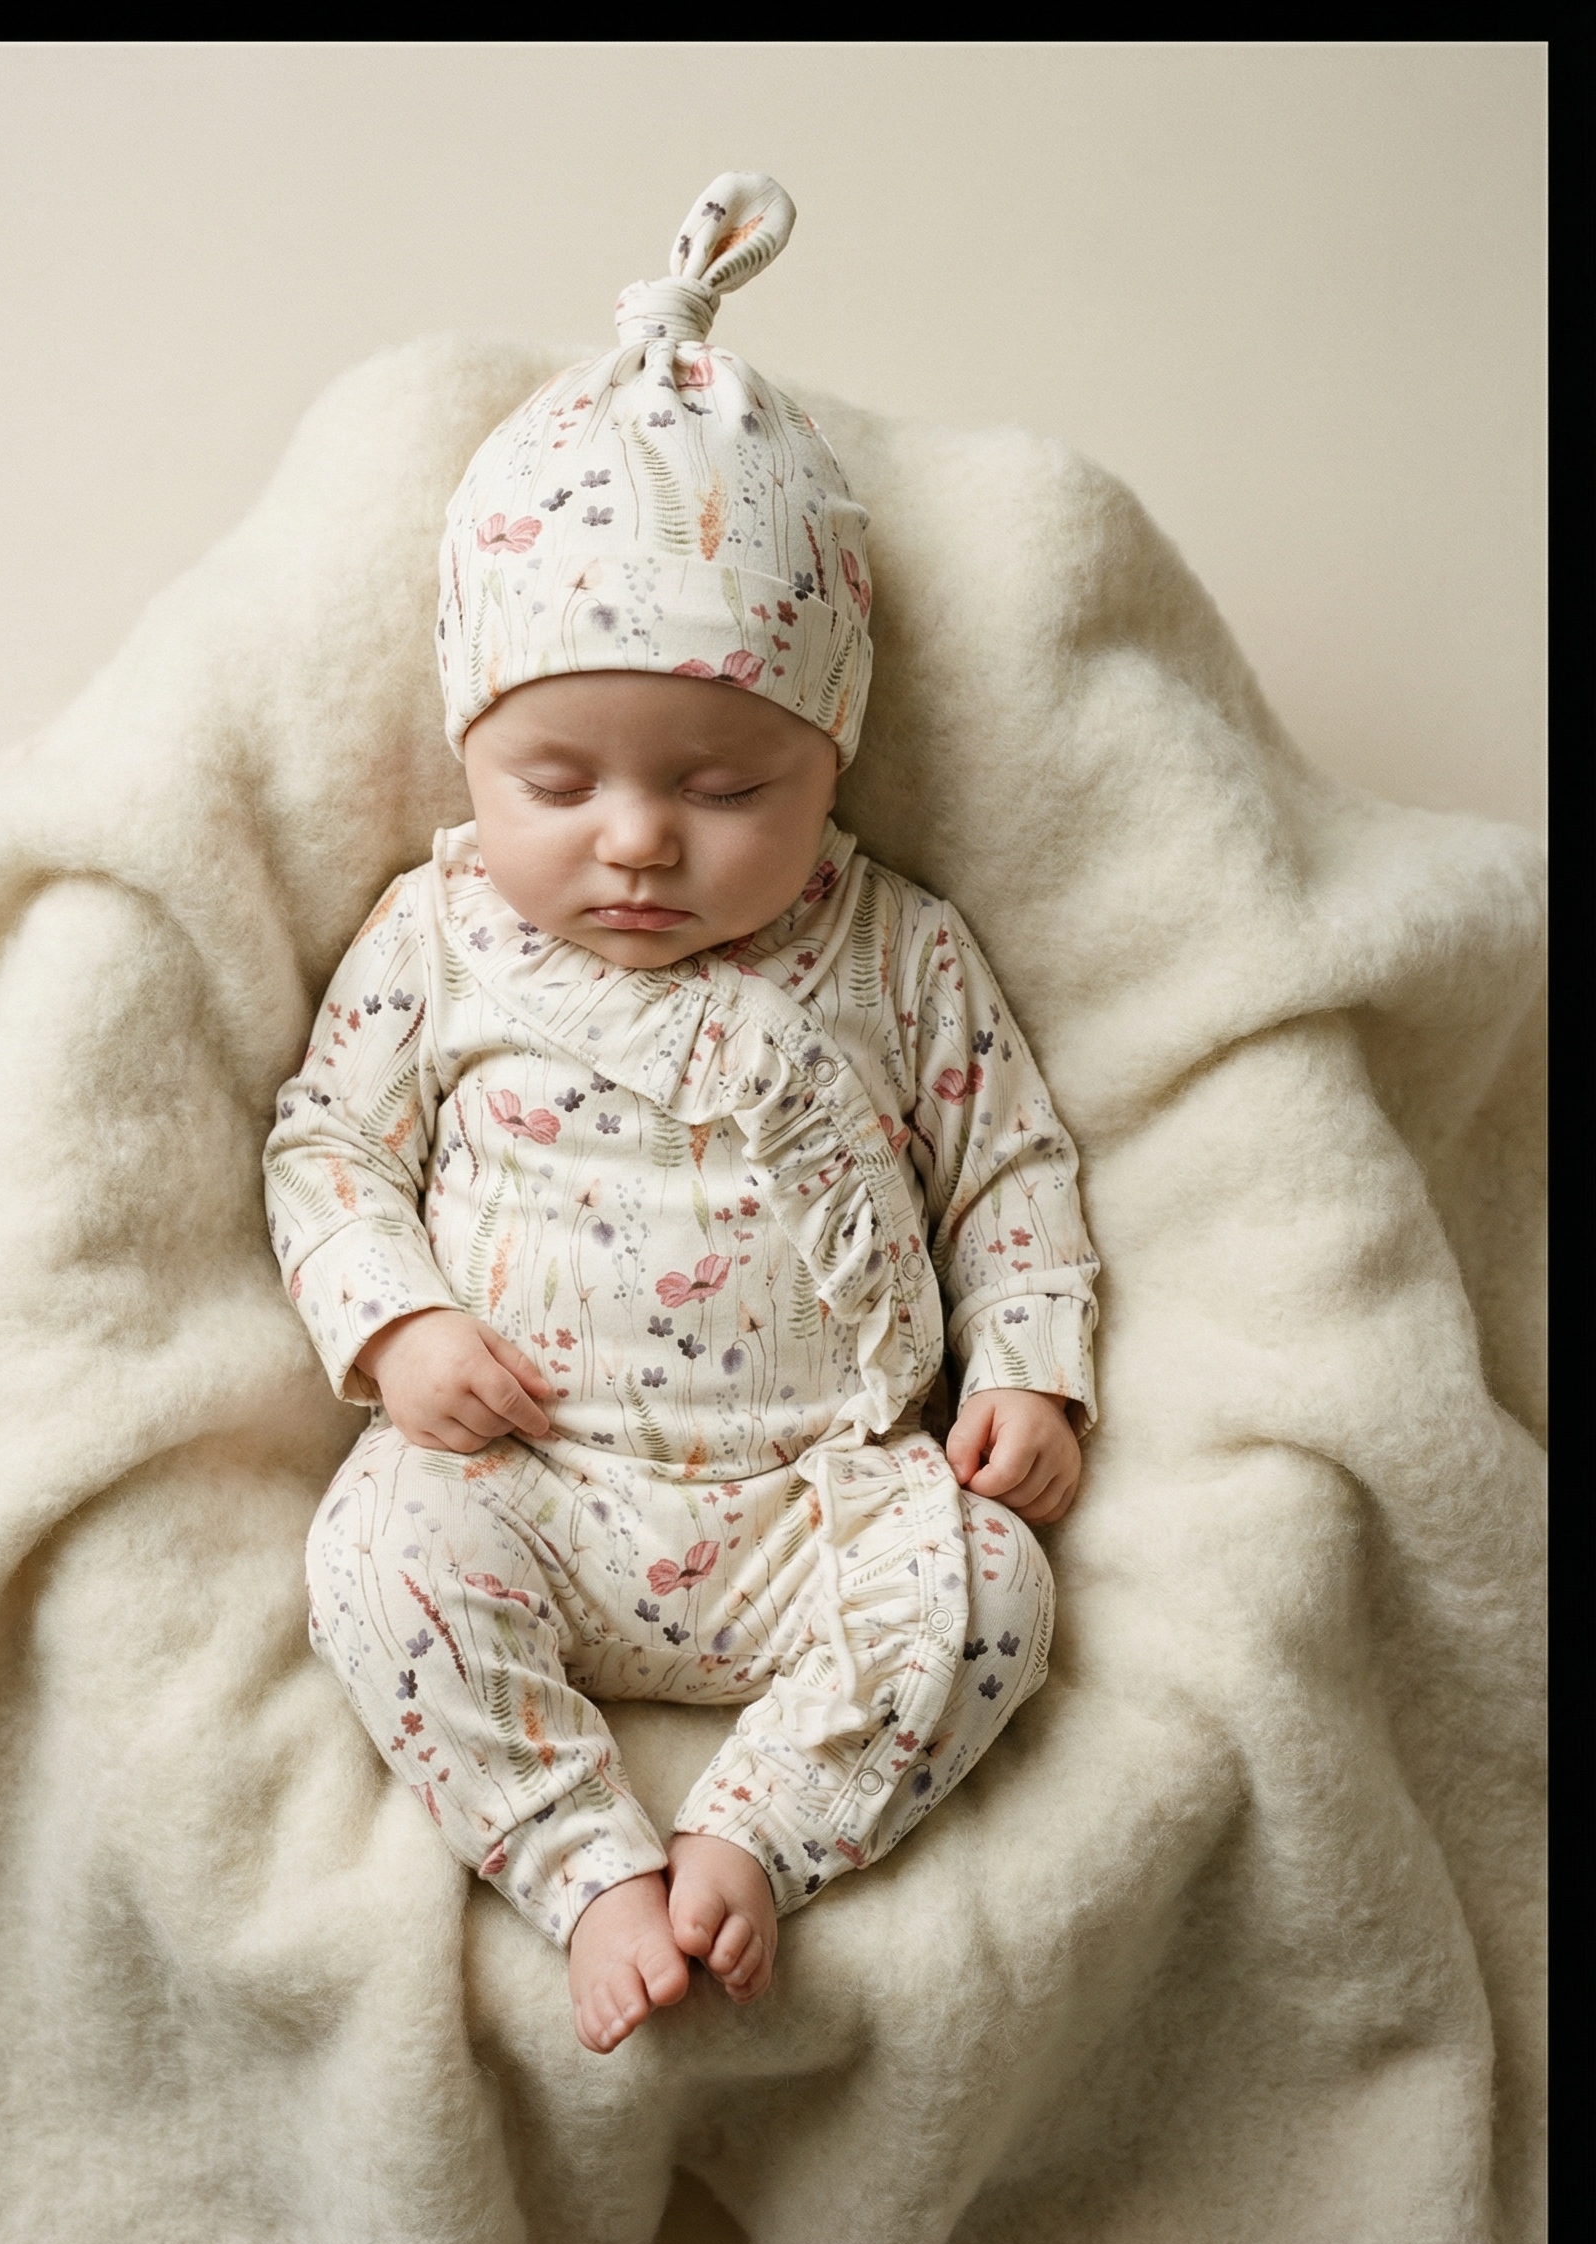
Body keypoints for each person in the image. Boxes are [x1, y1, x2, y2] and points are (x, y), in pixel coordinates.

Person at [264, 174, 1099, 2055]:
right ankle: (580, 1862)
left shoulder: (897, 951)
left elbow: (1009, 1174)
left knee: (995, 1594)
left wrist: (1030, 1372)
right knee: (372, 1560)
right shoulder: (440, 937)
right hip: (527, 1486)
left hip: (821, 1500)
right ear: (473, 753)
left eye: (726, 790)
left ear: (830, 758)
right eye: (558, 783)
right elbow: (327, 1146)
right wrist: (393, 1327)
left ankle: (755, 1835)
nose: (638, 840)